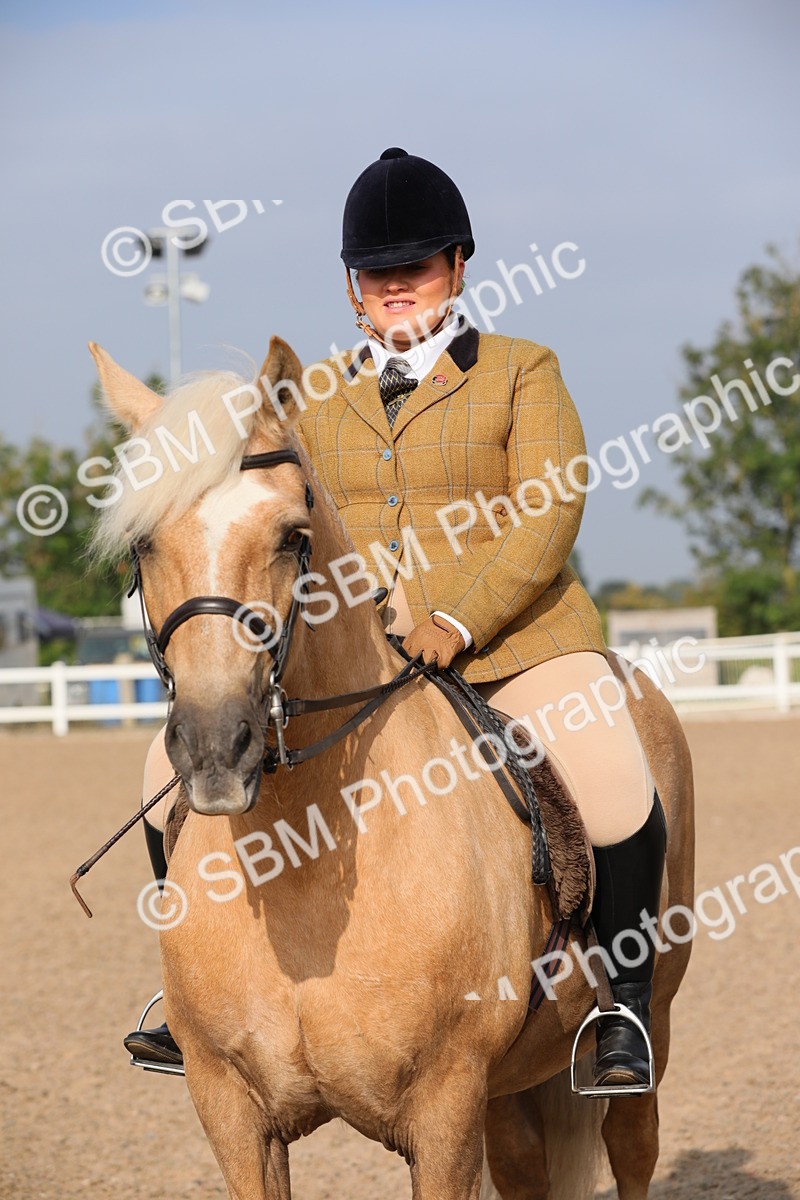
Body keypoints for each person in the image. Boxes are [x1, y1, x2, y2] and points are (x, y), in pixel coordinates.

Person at [126, 148, 666, 1094]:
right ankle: (189, 998)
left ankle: (622, 998)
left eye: (415, 269)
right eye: (379, 275)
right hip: (367, 654)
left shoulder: (522, 371)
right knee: (157, 772)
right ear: (352, 290)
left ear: (457, 268)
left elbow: (549, 511)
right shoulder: (309, 396)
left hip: (513, 641)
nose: (397, 288)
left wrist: (459, 616)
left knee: (617, 777)